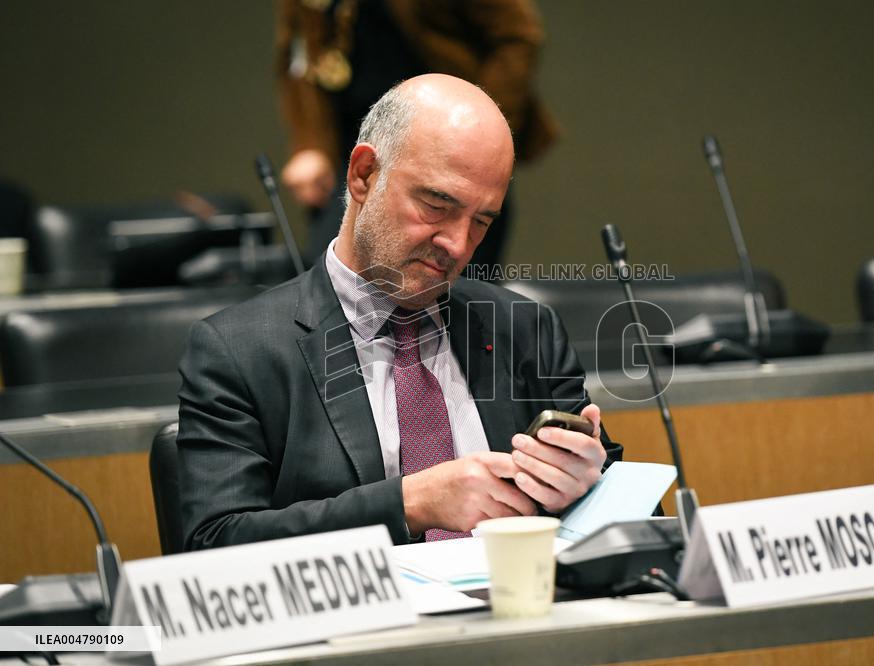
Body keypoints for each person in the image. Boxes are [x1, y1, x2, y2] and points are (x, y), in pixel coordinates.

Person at [177, 74, 618, 549]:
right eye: (436, 205)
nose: (457, 243)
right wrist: (409, 504)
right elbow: (215, 543)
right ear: (364, 175)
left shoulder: (526, 329)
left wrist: (587, 493)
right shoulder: (239, 351)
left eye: (481, 222)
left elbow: (638, 526)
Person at [275, 0, 558, 264]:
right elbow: (299, 53)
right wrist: (310, 145)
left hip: (454, 148)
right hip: (355, 146)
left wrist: (480, 125)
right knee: (340, 272)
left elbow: (517, 36)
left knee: (457, 285)